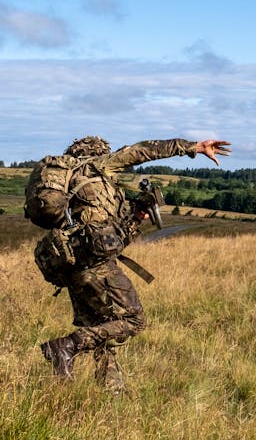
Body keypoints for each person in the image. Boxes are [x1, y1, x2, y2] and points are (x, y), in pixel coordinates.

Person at [38, 135, 230, 392]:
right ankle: (65, 347)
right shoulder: (98, 168)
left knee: (101, 327)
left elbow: (110, 239)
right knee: (134, 320)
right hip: (96, 267)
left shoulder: (70, 187)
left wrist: (137, 215)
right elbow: (142, 151)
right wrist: (191, 147)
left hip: (69, 266)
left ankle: (111, 391)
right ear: (100, 153)